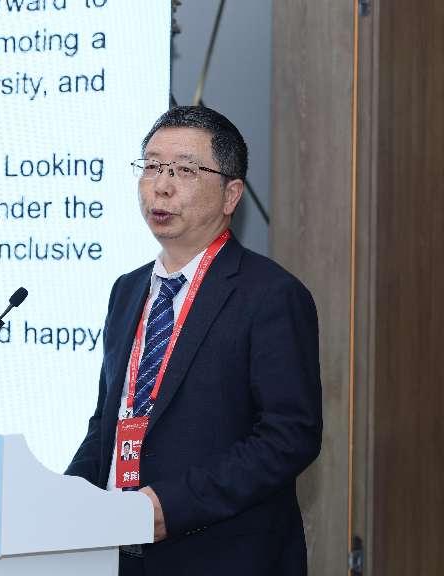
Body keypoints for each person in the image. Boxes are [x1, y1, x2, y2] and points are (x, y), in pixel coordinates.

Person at [65, 106, 322, 575]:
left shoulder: (270, 295)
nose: (161, 186)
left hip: (220, 555)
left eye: (184, 170)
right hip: (117, 554)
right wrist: (66, 498)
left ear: (231, 195)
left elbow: (289, 437)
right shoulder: (127, 290)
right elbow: (109, 421)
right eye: (152, 166)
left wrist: (173, 505)